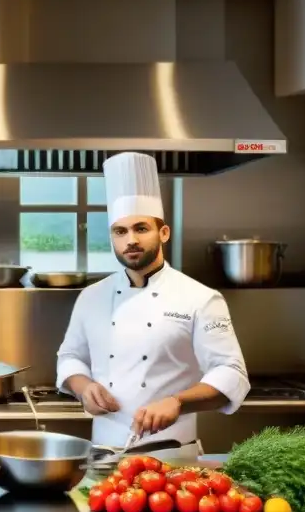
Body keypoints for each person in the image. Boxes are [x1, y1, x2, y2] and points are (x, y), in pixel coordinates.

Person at [55, 152, 250, 457]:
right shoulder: (91, 296)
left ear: (164, 233)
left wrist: (177, 402)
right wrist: (82, 387)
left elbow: (231, 372)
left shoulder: (201, 298)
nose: (130, 240)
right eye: (120, 231)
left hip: (171, 456)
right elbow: (70, 356)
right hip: (103, 455)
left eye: (141, 228)